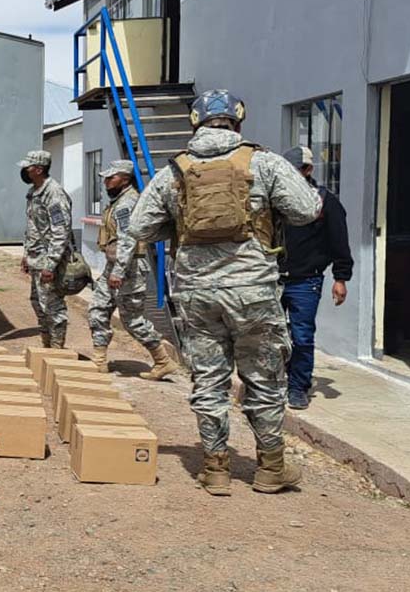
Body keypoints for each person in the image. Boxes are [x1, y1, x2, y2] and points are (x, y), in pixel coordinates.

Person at [127, 89, 322, 497]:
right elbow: (305, 210)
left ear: (194, 123)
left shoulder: (175, 171)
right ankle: (270, 467)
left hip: (197, 294)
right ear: (237, 121)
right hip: (252, 290)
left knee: (209, 379)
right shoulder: (263, 162)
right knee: (264, 379)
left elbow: (140, 226)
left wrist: (180, 228)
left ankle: (215, 469)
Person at [88, 159, 179, 380]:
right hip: (114, 267)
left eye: (112, 177)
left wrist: (119, 271)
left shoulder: (128, 204)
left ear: (126, 179)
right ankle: (99, 360)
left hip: (129, 268)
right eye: (106, 179)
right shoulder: (119, 200)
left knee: (132, 320)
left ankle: (163, 361)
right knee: (98, 309)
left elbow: (128, 239)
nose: (107, 182)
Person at [279, 146, 353, 410]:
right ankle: (273, 384)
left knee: (302, 336)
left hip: (305, 281)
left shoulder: (324, 202)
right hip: (273, 279)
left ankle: (298, 387)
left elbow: (339, 241)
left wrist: (340, 278)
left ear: (308, 170)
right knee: (269, 335)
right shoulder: (276, 199)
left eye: (294, 171)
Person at [18, 149, 72, 348]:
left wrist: (51, 265)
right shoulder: (33, 192)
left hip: (48, 260)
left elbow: (61, 231)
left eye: (28, 167)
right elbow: (32, 226)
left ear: (39, 169)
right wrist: (26, 254)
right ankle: (46, 346)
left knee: (52, 305)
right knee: (37, 302)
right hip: (35, 258)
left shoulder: (54, 193)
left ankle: (57, 349)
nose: (24, 170)